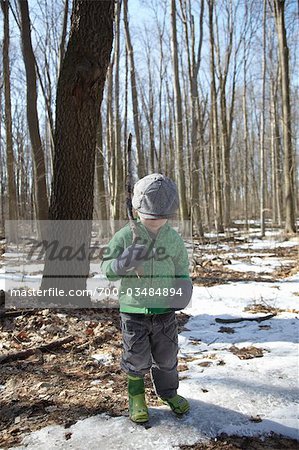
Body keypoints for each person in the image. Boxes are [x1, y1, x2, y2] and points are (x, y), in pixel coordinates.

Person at [101, 173, 193, 423]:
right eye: (150, 217)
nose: (155, 222)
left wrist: (183, 286)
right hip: (134, 312)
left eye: (161, 217)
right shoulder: (125, 236)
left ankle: (168, 393)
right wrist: (124, 261)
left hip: (164, 311)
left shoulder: (172, 238)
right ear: (136, 208)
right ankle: (137, 397)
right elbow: (107, 269)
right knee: (136, 357)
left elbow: (181, 266)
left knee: (166, 357)